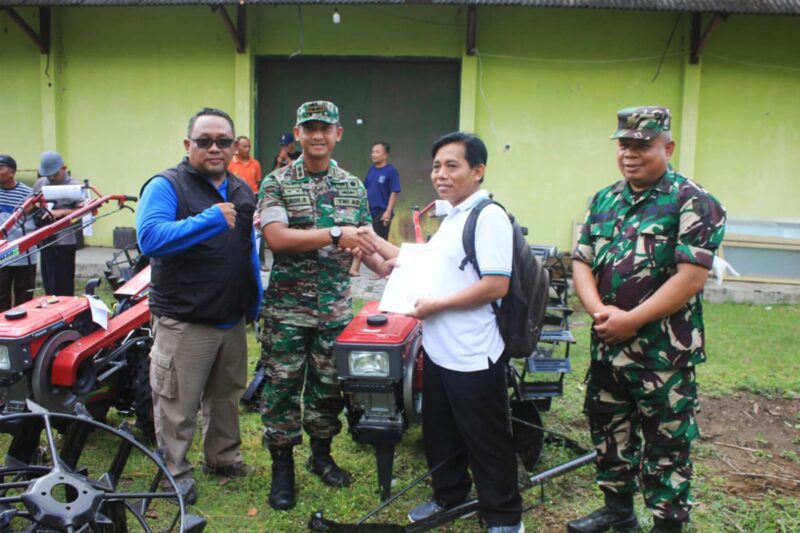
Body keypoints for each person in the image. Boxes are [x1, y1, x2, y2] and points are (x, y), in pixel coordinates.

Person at [569, 107, 726, 533]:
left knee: (667, 445)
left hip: (663, 355)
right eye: (624, 145)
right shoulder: (604, 199)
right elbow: (581, 261)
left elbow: (690, 277)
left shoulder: (694, 201)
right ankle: (618, 512)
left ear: (667, 148)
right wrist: (600, 313)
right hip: (608, 346)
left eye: (642, 145)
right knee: (609, 435)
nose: (630, 153)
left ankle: (666, 525)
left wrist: (631, 320)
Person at [359, 132, 524, 533]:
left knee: (486, 439)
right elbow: (425, 266)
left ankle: (504, 517)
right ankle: (450, 496)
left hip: (473, 353)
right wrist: (375, 247)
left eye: (452, 165)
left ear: (478, 171)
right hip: (438, 349)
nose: (441, 174)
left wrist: (436, 306)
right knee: (441, 432)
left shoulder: (488, 216)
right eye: (436, 166)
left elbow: (495, 285)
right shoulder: (452, 217)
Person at [137, 107, 262, 505]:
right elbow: (150, 238)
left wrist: (254, 299)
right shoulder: (167, 185)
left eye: (223, 141)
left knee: (226, 396)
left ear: (234, 146)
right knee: (177, 403)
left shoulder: (241, 189)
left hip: (230, 317)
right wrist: (209, 219)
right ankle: (173, 471)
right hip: (184, 319)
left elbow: (248, 249)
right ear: (187, 144)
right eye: (204, 141)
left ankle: (223, 458)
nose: (214, 148)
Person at [258, 100, 377, 510]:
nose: (317, 135)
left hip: (334, 311)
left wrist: (400, 263)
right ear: (298, 133)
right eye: (309, 128)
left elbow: (367, 241)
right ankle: (282, 467)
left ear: (338, 133)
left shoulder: (353, 186)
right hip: (287, 311)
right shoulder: (276, 182)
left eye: (325, 128)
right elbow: (277, 238)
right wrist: (335, 233)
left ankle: (321, 456)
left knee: (328, 389)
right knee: (282, 387)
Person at [349, 141, 401, 276]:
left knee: (379, 241)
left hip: (382, 212)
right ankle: (358, 268)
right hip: (368, 211)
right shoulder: (371, 170)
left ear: (385, 155)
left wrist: (388, 212)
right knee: (364, 237)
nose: (374, 154)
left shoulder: (391, 171)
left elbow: (394, 192)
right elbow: (365, 189)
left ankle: (382, 269)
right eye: (373, 152)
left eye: (377, 152)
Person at [33, 151, 81, 296]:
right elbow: (29, 204)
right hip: (45, 239)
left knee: (64, 285)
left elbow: (83, 211)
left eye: (55, 174)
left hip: (64, 241)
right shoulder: (40, 183)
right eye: (48, 175)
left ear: (64, 168)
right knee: (49, 283)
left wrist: (62, 212)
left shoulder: (74, 186)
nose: (52, 178)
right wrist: (36, 206)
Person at [0, 155, 38, 311]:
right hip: (3, 254)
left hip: (24, 254)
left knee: (24, 299)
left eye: (0, 168)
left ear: (12, 172)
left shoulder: (28, 194)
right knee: (1, 297)